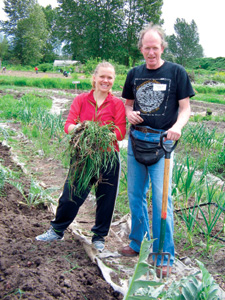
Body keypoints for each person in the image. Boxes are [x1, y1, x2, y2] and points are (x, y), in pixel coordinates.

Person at [118, 23, 195, 277]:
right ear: (141, 49)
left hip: (163, 144)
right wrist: (130, 114)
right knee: (135, 195)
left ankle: (163, 255)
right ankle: (138, 243)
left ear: (162, 47)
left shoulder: (176, 72)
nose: (151, 52)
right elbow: (127, 105)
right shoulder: (134, 74)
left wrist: (178, 127)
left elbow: (185, 109)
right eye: (146, 48)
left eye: (155, 47)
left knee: (163, 201)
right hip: (137, 141)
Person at [36, 62, 127, 252]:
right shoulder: (81, 100)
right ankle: (57, 230)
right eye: (102, 76)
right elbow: (68, 125)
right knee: (71, 194)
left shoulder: (117, 103)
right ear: (94, 78)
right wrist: (81, 128)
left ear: (113, 80)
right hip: (83, 156)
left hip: (108, 158)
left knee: (106, 198)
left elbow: (120, 132)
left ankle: (99, 237)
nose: (106, 80)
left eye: (110, 77)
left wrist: (104, 135)